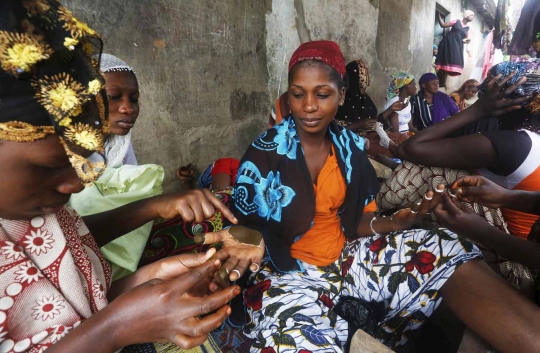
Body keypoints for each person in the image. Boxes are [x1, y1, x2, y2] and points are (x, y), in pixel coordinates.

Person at [199, 40, 540, 352]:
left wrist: (391, 222)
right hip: (285, 273)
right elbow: (242, 228)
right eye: (297, 94)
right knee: (295, 337)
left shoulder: (350, 152)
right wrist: (250, 237)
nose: (308, 107)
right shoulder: (265, 152)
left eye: (322, 94)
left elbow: (356, 221)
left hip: (345, 258)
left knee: (444, 246)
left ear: (341, 95)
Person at [0, 1, 240, 351]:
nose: (77, 181)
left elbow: (78, 295)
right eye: (50, 166)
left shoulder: (39, 211)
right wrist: (114, 328)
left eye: (83, 157)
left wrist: (146, 286)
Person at [392, 60, 540, 241]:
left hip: (516, 254)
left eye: (488, 93)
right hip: (522, 244)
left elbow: (407, 149)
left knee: (437, 171)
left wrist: (478, 109)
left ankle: (388, 210)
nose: (480, 94)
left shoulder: (514, 143)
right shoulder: (528, 137)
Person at [69, 54, 164, 280]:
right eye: (113, 97)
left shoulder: (118, 144)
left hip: (120, 249)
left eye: (134, 99)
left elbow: (131, 193)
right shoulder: (62, 151)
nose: (128, 108)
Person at [435, 175, 540, 271]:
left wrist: (482, 233)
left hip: (525, 274)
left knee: (444, 258)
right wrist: (506, 197)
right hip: (520, 242)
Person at [334, 59, 409, 157]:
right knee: (391, 151)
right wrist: (358, 125)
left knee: (404, 139)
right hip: (359, 140)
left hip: (378, 134)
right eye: (365, 77)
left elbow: (375, 121)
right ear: (355, 78)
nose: (368, 80)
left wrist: (391, 109)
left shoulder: (364, 98)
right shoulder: (341, 102)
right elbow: (336, 131)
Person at [435, 10, 475, 86]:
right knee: (444, 62)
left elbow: (463, 39)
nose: (473, 17)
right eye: (471, 15)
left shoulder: (467, 29)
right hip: (448, 43)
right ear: (466, 15)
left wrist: (467, 41)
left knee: (451, 63)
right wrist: (438, 15)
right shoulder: (456, 21)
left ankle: (442, 84)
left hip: (457, 47)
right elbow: (443, 25)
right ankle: (440, 83)